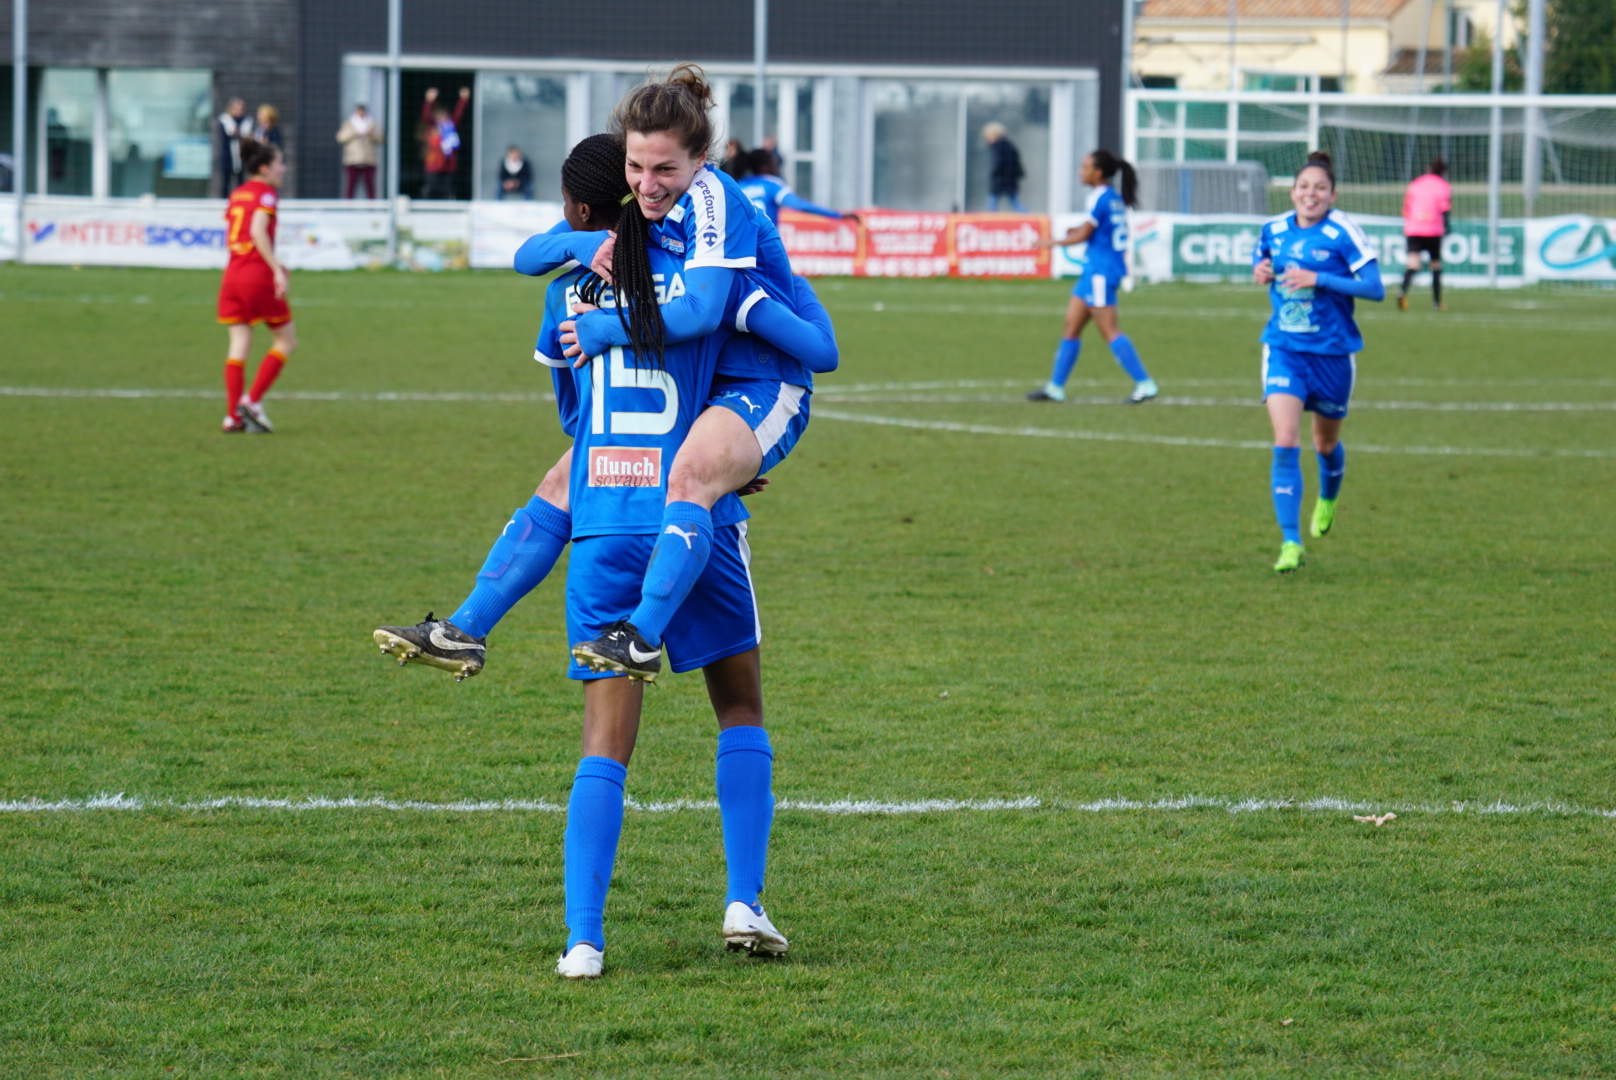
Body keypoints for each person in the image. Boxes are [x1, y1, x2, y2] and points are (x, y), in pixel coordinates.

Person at [376, 135, 820, 977]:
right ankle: (744, 899)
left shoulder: (566, 298)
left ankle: (583, 938)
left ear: (583, 213)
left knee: (603, 745)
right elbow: (742, 374)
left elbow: (574, 421)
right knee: (740, 710)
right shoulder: (697, 279)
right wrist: (731, 464)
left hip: (605, 524)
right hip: (697, 529)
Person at [373, 128, 837, 683]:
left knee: (584, 484)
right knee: (568, 484)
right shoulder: (685, 274)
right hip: (681, 440)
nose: (650, 183)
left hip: (717, 418)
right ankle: (467, 629)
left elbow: (575, 406)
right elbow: (816, 346)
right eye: (639, 171)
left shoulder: (694, 285)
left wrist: (782, 290)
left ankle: (629, 635)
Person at [1251, 150, 1385, 573]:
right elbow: (1264, 259)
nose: (1311, 194)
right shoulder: (1273, 228)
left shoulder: (1343, 232)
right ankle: (1290, 543)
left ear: (1333, 195)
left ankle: (1328, 497)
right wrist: (1260, 270)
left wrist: (1319, 279)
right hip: (1284, 349)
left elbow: (1376, 288)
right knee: (1287, 439)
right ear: (1292, 192)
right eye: (1304, 187)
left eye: (1320, 188)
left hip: (1332, 355)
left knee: (1324, 444)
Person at [1029, 150, 1158, 405]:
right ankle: (1055, 387)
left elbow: (1084, 235)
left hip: (1101, 272)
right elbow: (1096, 230)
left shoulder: (1099, 197)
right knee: (1071, 326)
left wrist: (1052, 242)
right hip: (1095, 270)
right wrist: (1075, 230)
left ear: (1098, 173)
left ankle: (1145, 383)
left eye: (1085, 167)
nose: (1081, 171)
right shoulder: (1111, 198)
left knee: (1110, 331)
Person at [216, 138, 296, 434]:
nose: (283, 169)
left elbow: (242, 233)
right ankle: (252, 401)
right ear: (264, 168)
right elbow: (257, 230)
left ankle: (232, 417)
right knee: (286, 341)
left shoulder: (238, 194)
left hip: (232, 275)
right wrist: (275, 269)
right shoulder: (266, 195)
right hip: (255, 276)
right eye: (279, 163)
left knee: (238, 342)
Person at [739, 149, 858, 226]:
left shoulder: (739, 186)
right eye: (774, 164)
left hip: (741, 250)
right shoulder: (772, 185)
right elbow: (799, 205)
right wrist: (837, 215)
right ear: (765, 167)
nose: (777, 168)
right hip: (765, 247)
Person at [1399, 157, 1451, 312]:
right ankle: (1436, 302)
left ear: (1429, 168)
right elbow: (1445, 208)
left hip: (1414, 229)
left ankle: (1402, 291)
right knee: (1435, 265)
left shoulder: (1415, 184)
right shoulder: (1443, 186)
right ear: (1443, 172)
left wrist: (1409, 223)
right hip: (1433, 230)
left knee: (1413, 264)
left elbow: (1406, 207)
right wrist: (1447, 226)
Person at [421, 86, 470, 200]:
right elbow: (426, 116)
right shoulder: (433, 127)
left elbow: (458, 114)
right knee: (431, 187)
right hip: (434, 164)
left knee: (448, 188)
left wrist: (463, 100)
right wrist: (429, 101)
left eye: (444, 116)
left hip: (448, 164)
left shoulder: (450, 126)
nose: (442, 119)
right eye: (440, 117)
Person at [337, 104, 383, 199]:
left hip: (368, 159)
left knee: (370, 185)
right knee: (351, 184)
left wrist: (370, 134)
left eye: (363, 112)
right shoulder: (349, 124)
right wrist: (354, 133)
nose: (361, 114)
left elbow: (381, 139)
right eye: (359, 112)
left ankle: (372, 208)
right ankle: (348, 207)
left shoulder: (372, 124)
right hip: (352, 159)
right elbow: (340, 138)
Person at [983, 123, 1026, 212]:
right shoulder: (1009, 146)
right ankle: (1027, 217)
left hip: (1000, 179)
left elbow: (998, 163)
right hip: (1009, 180)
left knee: (993, 201)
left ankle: (989, 222)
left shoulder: (998, 148)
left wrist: (994, 173)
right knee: (1013, 201)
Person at [216, 98, 255, 194]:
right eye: (237, 108)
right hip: (228, 155)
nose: (240, 111)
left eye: (241, 109)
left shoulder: (246, 120)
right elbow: (228, 134)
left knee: (240, 181)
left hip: (241, 155)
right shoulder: (226, 119)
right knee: (226, 182)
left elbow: (245, 134)